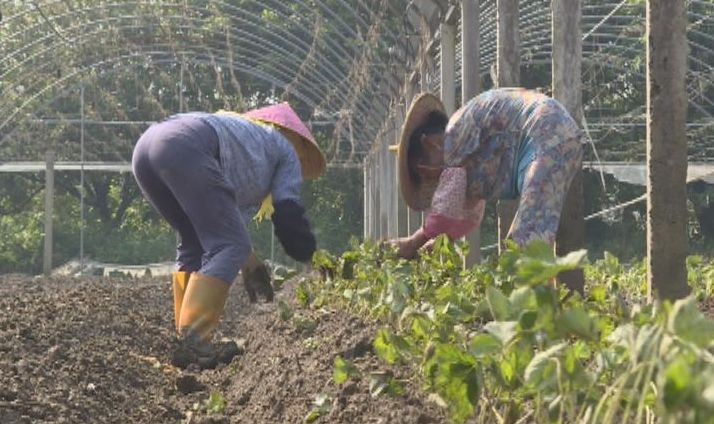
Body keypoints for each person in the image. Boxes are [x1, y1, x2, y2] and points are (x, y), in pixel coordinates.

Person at [131, 102, 325, 369]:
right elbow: (287, 214)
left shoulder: (247, 149)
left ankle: (186, 338)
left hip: (147, 148)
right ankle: (195, 340)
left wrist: (252, 266)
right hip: (186, 147)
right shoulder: (285, 149)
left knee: (195, 244)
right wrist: (311, 255)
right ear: (296, 140)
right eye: (304, 159)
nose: (300, 167)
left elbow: (229, 227)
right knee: (228, 245)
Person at [390, 88, 583, 259]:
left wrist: (413, 242)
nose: (430, 178)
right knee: (531, 242)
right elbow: (469, 216)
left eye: (423, 171)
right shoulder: (468, 159)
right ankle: (567, 295)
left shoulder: (454, 136)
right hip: (554, 138)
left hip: (547, 133)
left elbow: (444, 211)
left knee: (526, 245)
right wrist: (444, 239)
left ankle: (542, 298)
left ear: (431, 143)